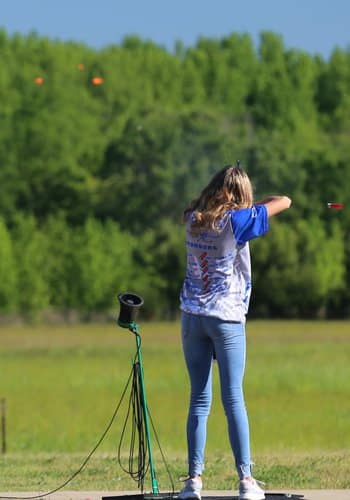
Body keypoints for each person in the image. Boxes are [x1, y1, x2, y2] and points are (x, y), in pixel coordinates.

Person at [178, 164, 291, 500]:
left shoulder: (192, 217)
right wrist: (252, 204)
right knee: (233, 398)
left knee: (199, 400)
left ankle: (193, 482)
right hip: (225, 318)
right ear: (240, 196)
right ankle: (246, 480)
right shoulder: (238, 222)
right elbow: (283, 201)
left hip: (191, 317)